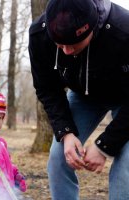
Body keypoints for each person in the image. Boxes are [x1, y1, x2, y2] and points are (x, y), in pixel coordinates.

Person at [28, 0, 129, 199]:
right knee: (58, 158)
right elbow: (47, 88)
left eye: (72, 44)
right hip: (84, 96)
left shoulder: (123, 31)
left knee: (125, 167)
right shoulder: (39, 34)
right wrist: (65, 132)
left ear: (91, 29)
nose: (65, 51)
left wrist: (104, 146)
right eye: (59, 44)